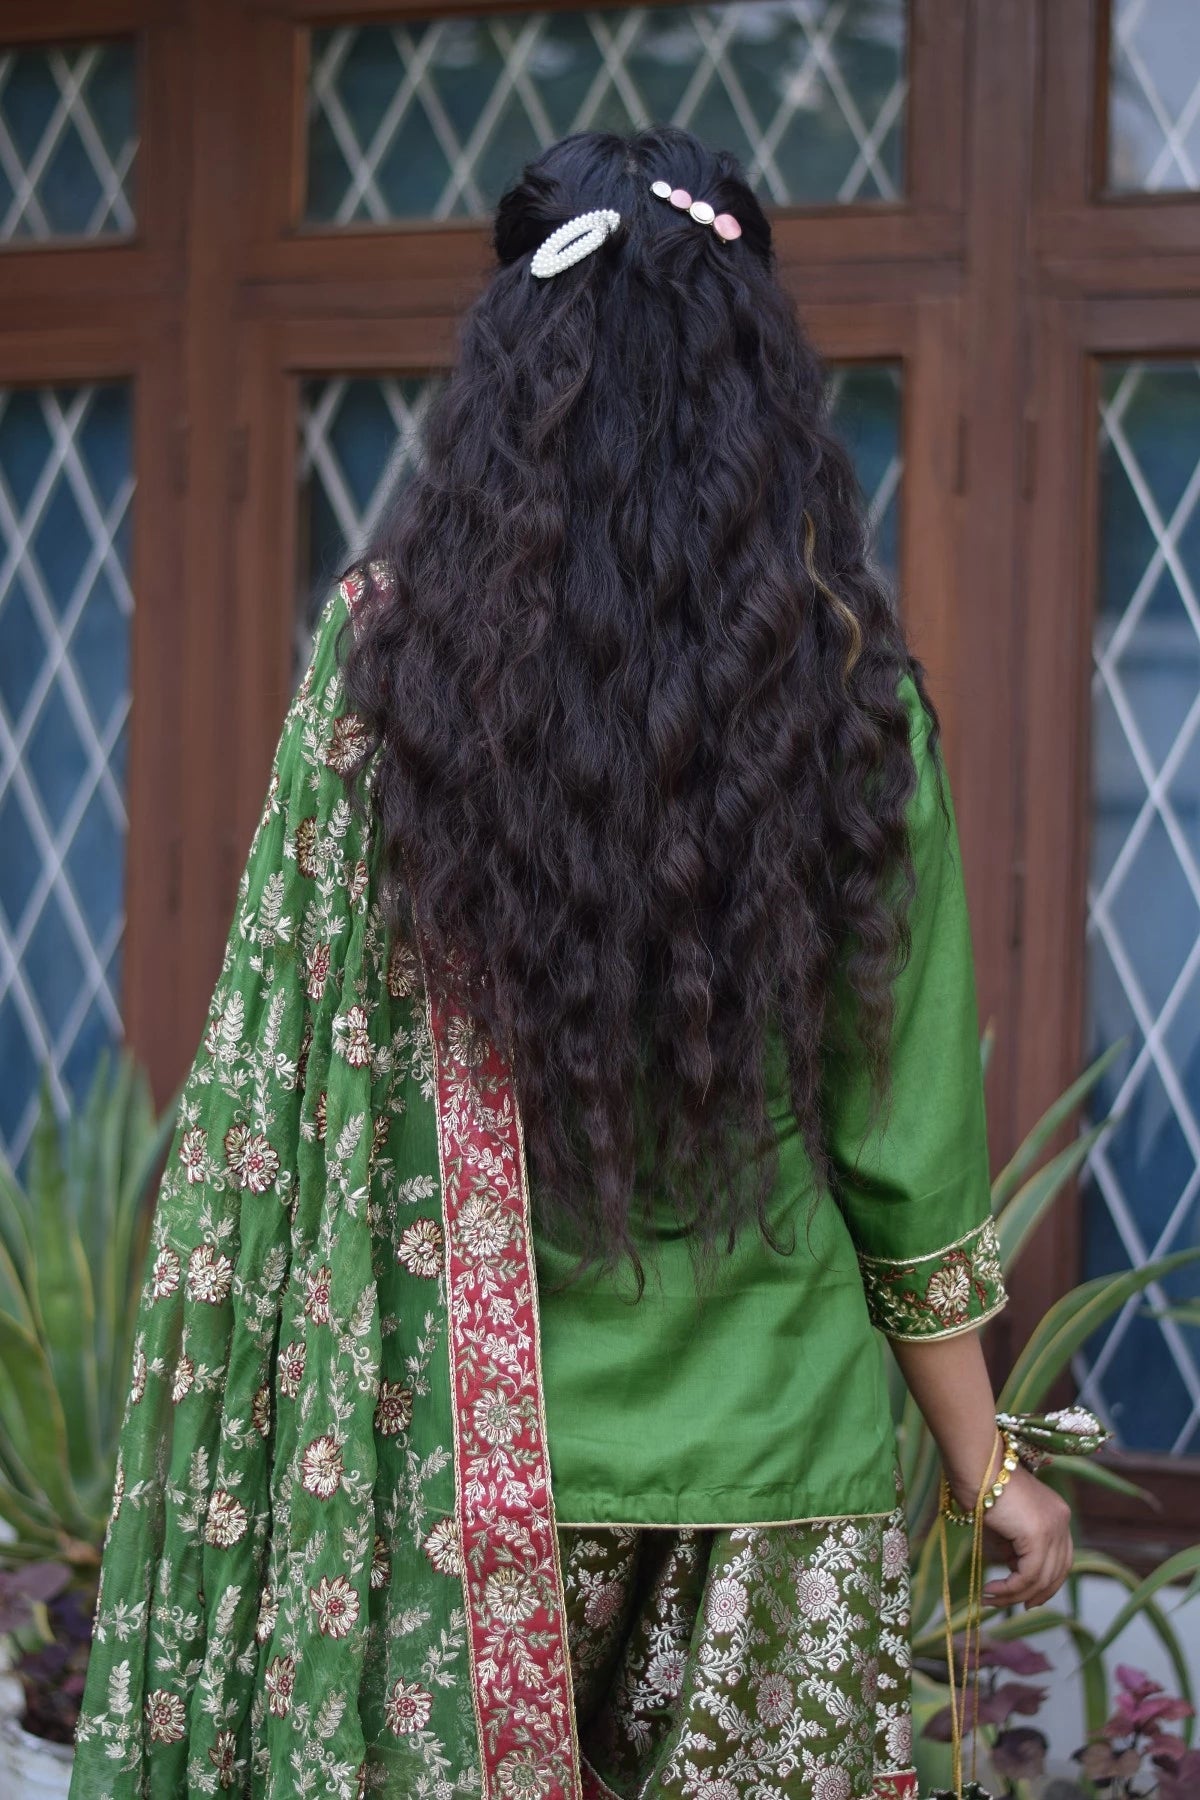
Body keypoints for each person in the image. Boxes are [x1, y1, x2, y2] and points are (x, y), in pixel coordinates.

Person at [70, 126, 1080, 1800]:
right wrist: (988, 1468)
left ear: (508, 375)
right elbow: (900, 1132)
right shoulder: (847, 695)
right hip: (777, 1438)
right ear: (758, 387)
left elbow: (289, 1060)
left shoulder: (388, 669)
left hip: (458, 1450)